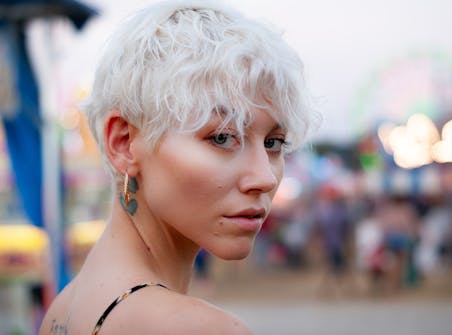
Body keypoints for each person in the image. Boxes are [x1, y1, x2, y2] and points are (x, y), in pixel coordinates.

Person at [39, 1, 316, 334]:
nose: (265, 178)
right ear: (124, 143)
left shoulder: (63, 310)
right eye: (223, 137)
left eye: (273, 143)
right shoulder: (200, 328)